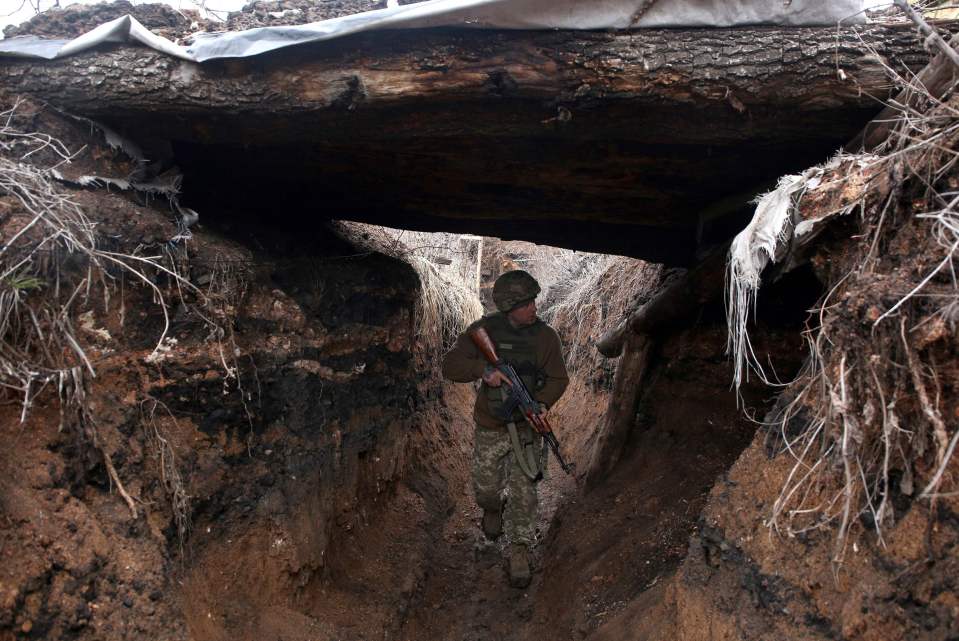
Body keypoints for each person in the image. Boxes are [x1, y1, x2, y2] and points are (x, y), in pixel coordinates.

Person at [441, 270, 569, 588]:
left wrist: (541, 404)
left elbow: (558, 379)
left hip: (526, 429)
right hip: (491, 425)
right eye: (527, 303)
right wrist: (483, 371)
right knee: (486, 487)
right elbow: (450, 366)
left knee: (525, 488)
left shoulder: (546, 337)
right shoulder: (483, 331)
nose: (534, 308)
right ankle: (492, 508)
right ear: (510, 306)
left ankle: (520, 550)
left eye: (534, 301)